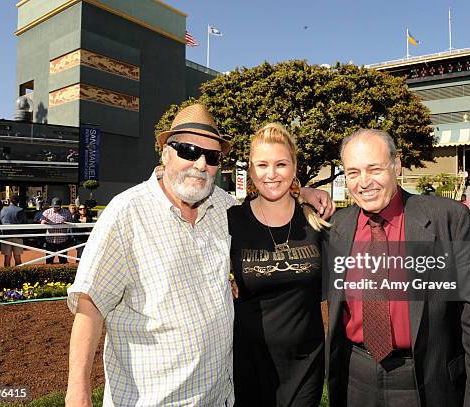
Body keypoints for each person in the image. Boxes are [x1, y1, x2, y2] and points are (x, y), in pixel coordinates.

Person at [65, 104, 333, 406]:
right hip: (152, 398)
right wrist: (78, 392)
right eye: (189, 151)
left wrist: (304, 192)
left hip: (218, 395)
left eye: (212, 156)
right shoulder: (126, 212)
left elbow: (272, 197)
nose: (201, 163)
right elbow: (90, 303)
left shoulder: (224, 207)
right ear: (166, 153)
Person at [324, 129, 470, 407]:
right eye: (353, 172)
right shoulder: (337, 227)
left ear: (396, 166)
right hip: (354, 377)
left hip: (425, 380)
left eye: (374, 169)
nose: (364, 182)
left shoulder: (449, 219)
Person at [229, 123, 328, 406]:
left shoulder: (316, 222)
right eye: (262, 165)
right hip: (247, 362)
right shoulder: (230, 221)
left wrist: (305, 193)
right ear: (251, 170)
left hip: (304, 364)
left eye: (281, 164)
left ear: (294, 167)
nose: (271, 174)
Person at [41, 197, 73, 264]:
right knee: (49, 261)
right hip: (50, 239)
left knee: (63, 261)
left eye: (57, 207)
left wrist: (65, 223)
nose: (56, 208)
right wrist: (45, 222)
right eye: (54, 207)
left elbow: (71, 222)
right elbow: (42, 221)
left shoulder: (66, 212)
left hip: (62, 240)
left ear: (61, 205)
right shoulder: (47, 212)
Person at [0, 195, 27, 267]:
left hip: (6, 235)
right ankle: (18, 275)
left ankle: (6, 275)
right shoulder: (20, 210)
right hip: (17, 235)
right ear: (18, 201)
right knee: (17, 257)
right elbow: (24, 222)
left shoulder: (3, 210)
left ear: (9, 201)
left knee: (7, 258)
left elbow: (1, 221)